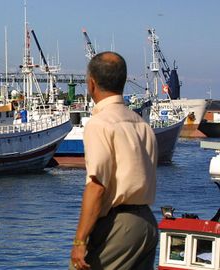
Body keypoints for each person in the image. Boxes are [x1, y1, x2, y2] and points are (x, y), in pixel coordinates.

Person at [70, 51, 158, 270]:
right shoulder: (142, 125)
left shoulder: (100, 124)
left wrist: (80, 240)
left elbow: (97, 186)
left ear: (91, 83)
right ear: (123, 81)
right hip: (146, 222)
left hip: (117, 226)